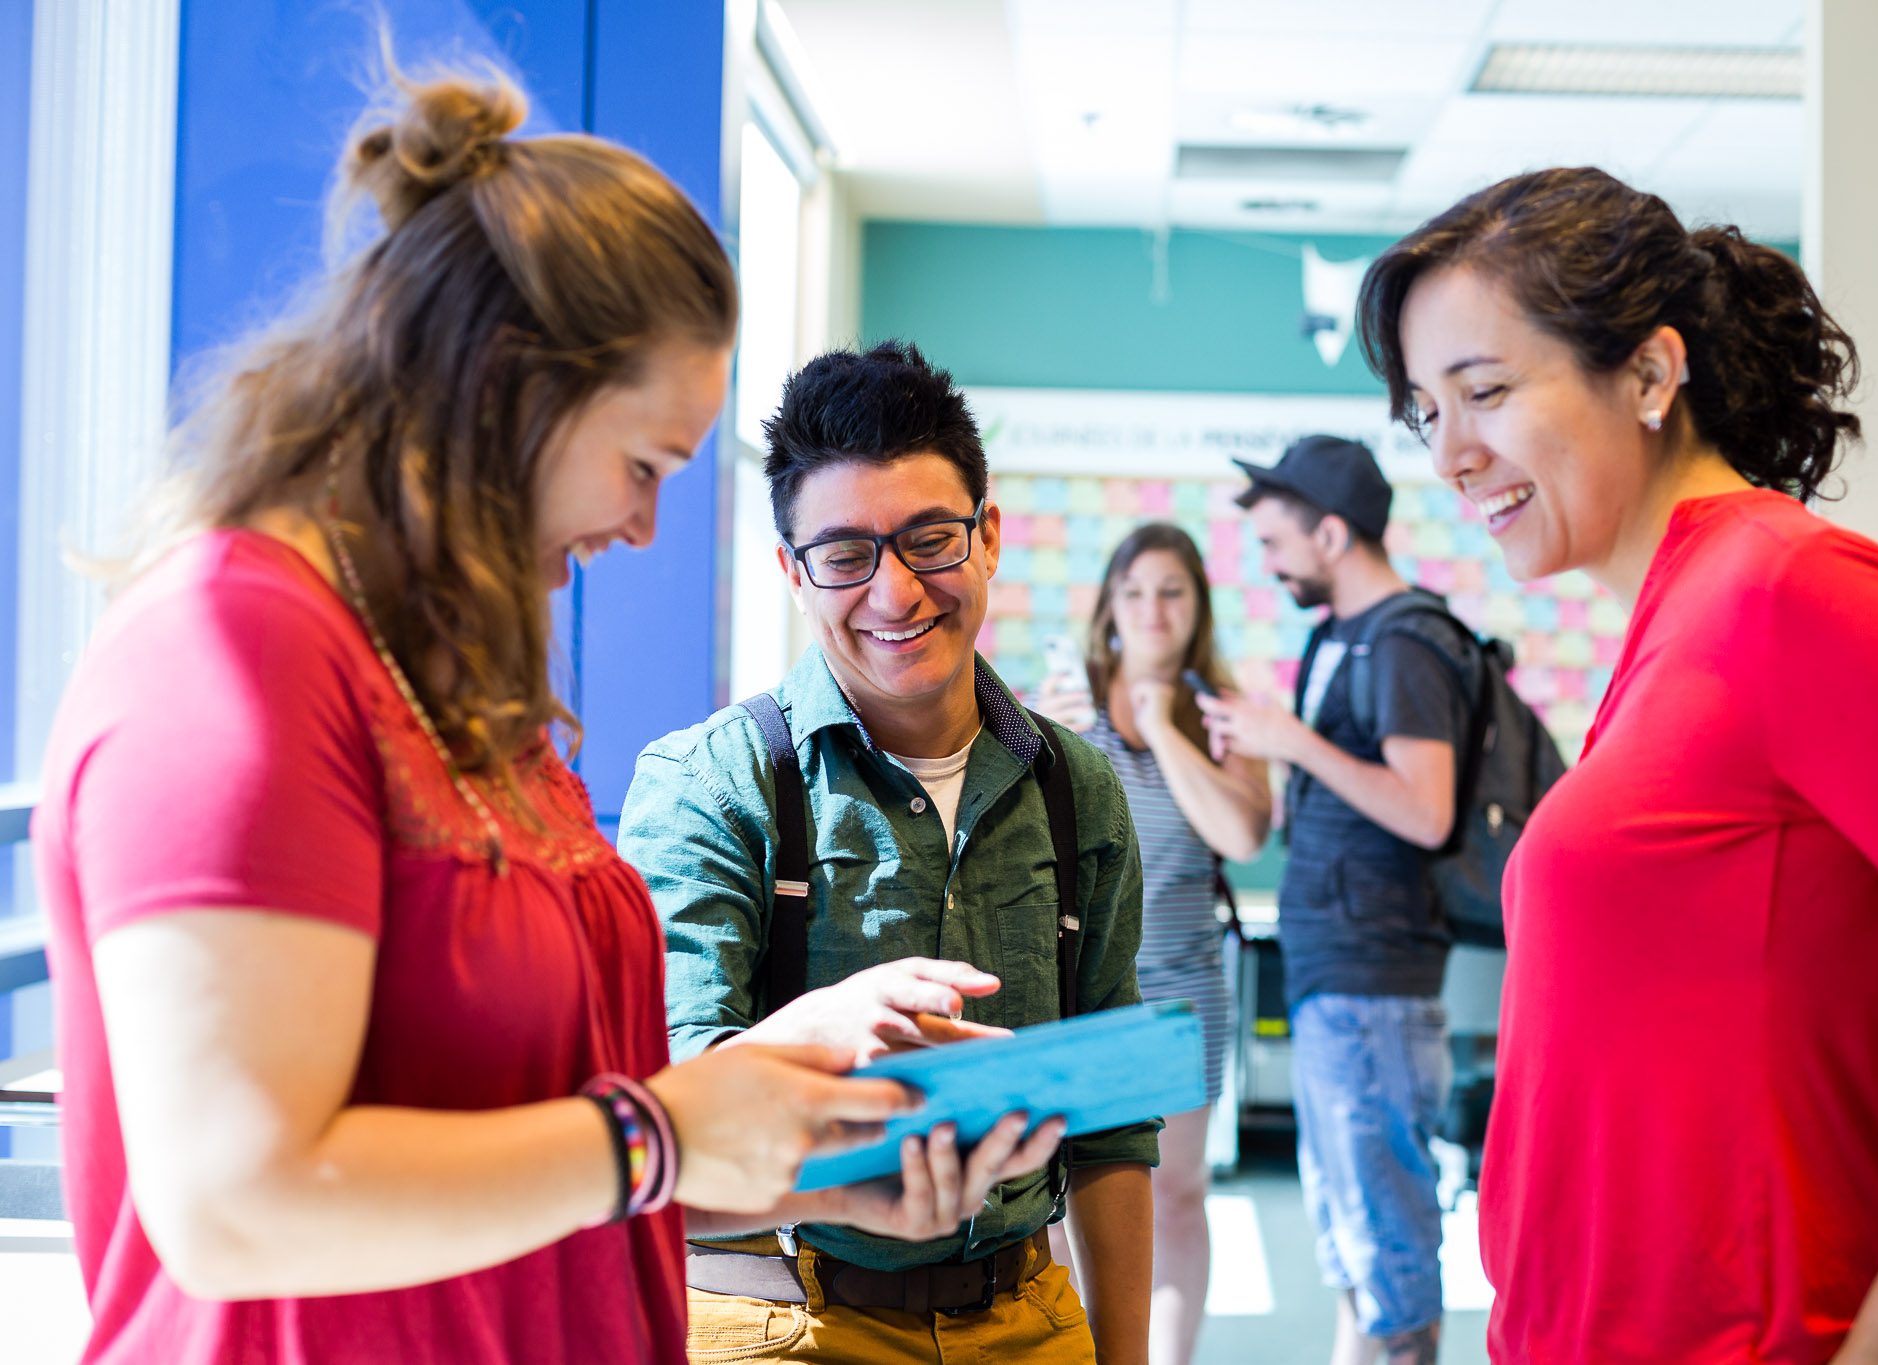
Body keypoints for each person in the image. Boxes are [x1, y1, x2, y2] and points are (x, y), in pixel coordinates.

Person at [31, 61, 1046, 1365]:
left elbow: (543, 1150)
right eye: (643, 464)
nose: (642, 525)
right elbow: (237, 1201)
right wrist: (674, 1132)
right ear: (507, 385)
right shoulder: (233, 652)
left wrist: (796, 1168)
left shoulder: (460, 690)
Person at [1357, 166, 1878, 1363]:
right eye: (1426, 411)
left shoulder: (1794, 592)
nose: (1449, 455)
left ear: (1647, 373)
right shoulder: (1670, 628)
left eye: (1484, 391)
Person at [618, 341, 1158, 1365]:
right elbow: (667, 1099)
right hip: (777, 1318)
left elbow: (1109, 1127)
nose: (896, 593)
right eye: (845, 555)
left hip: (1025, 1315)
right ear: (792, 571)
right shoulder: (714, 783)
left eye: (930, 541)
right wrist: (813, 1045)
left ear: (988, 537)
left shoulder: (1074, 787)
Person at [1197, 436, 1474, 1365]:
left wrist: (1292, 741)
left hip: (1376, 986)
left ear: (1330, 531)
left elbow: (1426, 808)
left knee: (1386, 1249)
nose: (1269, 566)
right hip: (1337, 979)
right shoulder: (1338, 639)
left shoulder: (1402, 641)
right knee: (1353, 1247)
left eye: (1277, 544)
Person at [1035, 522, 1271, 1365]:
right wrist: (1037, 735)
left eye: (1172, 590)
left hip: (1183, 997)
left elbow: (1242, 834)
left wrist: (1166, 726)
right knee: (1061, 1197)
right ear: (1108, 609)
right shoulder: (1062, 710)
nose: (1152, 609)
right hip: (1081, 998)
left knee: (1173, 1196)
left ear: (1199, 607)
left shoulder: (1220, 716)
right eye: (1134, 591)